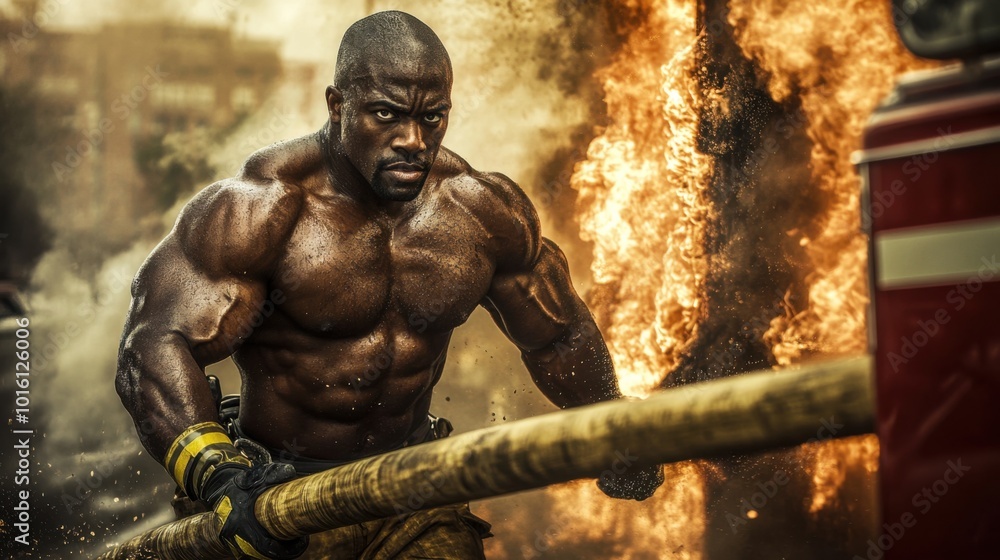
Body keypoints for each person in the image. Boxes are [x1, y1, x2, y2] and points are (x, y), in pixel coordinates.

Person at [115, 10, 663, 559]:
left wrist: (610, 423)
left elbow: (557, 337)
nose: (413, 140)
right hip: (281, 498)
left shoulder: (479, 210)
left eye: (433, 118)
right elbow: (153, 345)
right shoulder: (261, 210)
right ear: (337, 106)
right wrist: (218, 475)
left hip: (412, 487)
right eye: (386, 114)